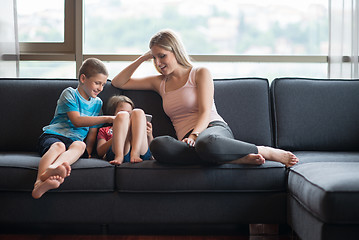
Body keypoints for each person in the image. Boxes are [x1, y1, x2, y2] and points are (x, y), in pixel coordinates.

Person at [111, 29, 298, 167]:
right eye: (154, 58)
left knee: (207, 144)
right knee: (159, 146)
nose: (158, 63)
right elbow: (120, 82)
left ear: (175, 52)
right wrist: (142, 58)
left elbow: (205, 110)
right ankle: (235, 157)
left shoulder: (200, 73)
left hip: (212, 131)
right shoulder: (159, 82)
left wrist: (194, 135)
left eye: (162, 56)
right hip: (186, 141)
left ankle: (263, 150)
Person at [32, 58, 115, 199]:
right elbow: (76, 121)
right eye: (97, 83)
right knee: (58, 146)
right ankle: (39, 183)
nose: (100, 88)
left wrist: (88, 150)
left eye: (103, 85)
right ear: (83, 78)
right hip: (54, 135)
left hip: (75, 141)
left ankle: (53, 168)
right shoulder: (69, 94)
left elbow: (93, 129)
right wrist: (108, 118)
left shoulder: (97, 103)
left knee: (80, 145)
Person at [96, 95, 153, 165]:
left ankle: (135, 153)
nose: (128, 116)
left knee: (139, 112)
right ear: (112, 113)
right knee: (122, 116)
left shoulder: (137, 125)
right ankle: (119, 156)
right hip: (118, 152)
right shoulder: (105, 130)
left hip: (140, 153)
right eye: (122, 111)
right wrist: (116, 137)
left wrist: (149, 135)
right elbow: (100, 152)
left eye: (129, 113)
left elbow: (152, 149)